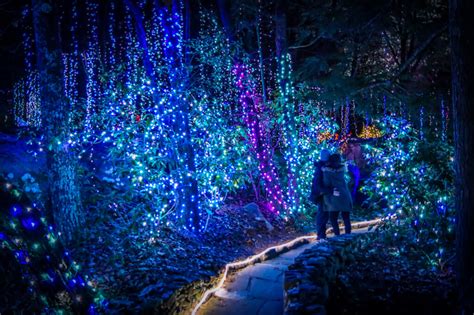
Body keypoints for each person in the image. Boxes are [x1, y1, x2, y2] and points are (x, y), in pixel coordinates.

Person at [321, 153, 353, 235]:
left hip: (334, 198)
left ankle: (337, 236)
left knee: (333, 218)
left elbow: (326, 184)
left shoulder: (327, 172)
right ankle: (348, 235)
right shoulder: (342, 170)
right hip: (345, 196)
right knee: (346, 217)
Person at [310, 149, 333, 239]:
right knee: (322, 215)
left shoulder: (322, 167)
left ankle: (322, 235)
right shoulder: (320, 169)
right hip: (321, 195)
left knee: (324, 215)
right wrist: (330, 190)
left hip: (323, 195)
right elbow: (318, 185)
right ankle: (321, 236)